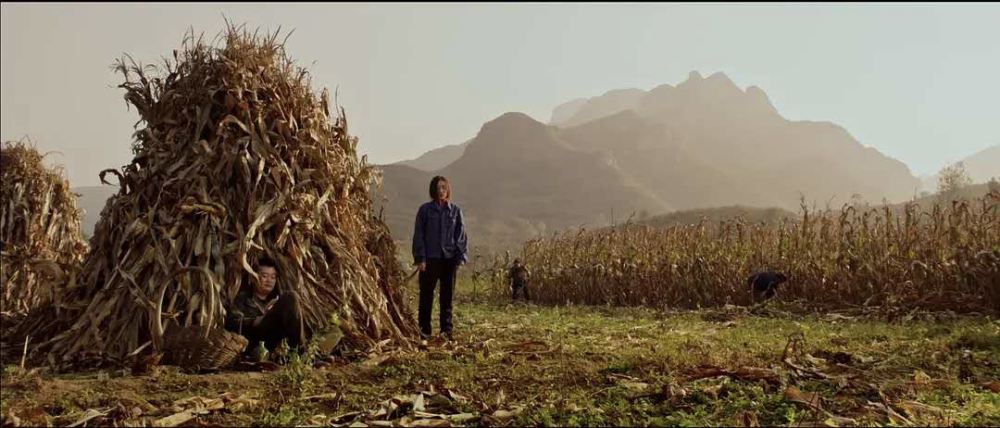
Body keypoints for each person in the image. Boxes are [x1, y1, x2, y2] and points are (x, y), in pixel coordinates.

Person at [412, 176, 468, 341]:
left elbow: (461, 236)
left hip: (449, 260)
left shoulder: (455, 211)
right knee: (426, 297)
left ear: (448, 189)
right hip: (429, 260)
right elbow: (419, 235)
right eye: (438, 188)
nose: (441, 191)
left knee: (447, 298)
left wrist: (460, 258)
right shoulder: (425, 210)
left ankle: (446, 331)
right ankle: (424, 331)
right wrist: (420, 258)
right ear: (433, 190)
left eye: (443, 187)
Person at [225, 256, 307, 352]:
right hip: (255, 343)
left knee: (291, 298)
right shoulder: (243, 298)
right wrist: (257, 320)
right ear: (253, 277)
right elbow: (232, 322)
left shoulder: (278, 300)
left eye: (273, 277)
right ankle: (300, 353)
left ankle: (295, 353)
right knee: (291, 296)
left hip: (275, 342)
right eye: (264, 276)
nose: (269, 280)